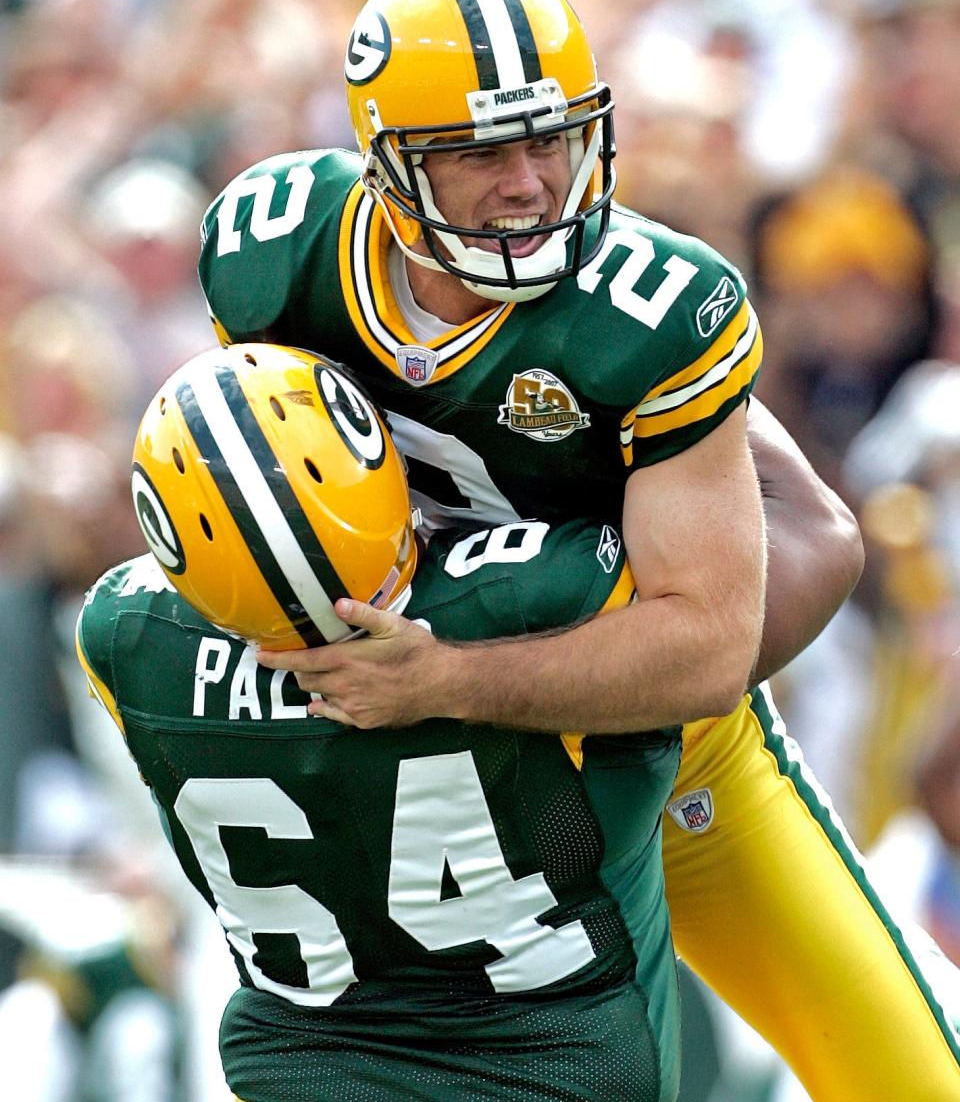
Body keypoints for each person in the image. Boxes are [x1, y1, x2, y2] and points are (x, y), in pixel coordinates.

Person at [197, 0, 960, 1098]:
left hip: (650, 739)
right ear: (388, 167)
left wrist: (473, 680)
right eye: (479, 151)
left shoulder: (648, 309)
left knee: (908, 1077)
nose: (530, 182)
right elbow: (255, 520)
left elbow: (709, 639)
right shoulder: (275, 256)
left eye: (550, 138)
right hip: (416, 766)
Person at [78, 344, 685, 1102]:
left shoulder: (127, 637)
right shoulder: (535, 594)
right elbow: (706, 628)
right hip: (552, 1063)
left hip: (297, 1070)